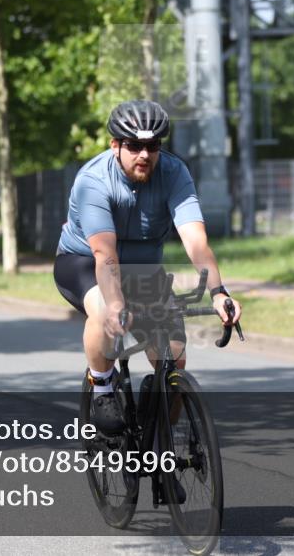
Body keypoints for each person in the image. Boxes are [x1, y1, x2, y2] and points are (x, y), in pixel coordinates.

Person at [53, 100, 243, 437]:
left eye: (153, 146)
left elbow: (195, 240)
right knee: (103, 310)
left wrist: (218, 292)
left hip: (143, 269)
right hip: (85, 263)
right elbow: (104, 254)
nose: (144, 154)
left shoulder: (174, 173)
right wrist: (116, 305)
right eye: (134, 146)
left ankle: (158, 447)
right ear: (115, 145)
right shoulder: (93, 181)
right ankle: (101, 384)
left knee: (175, 360)